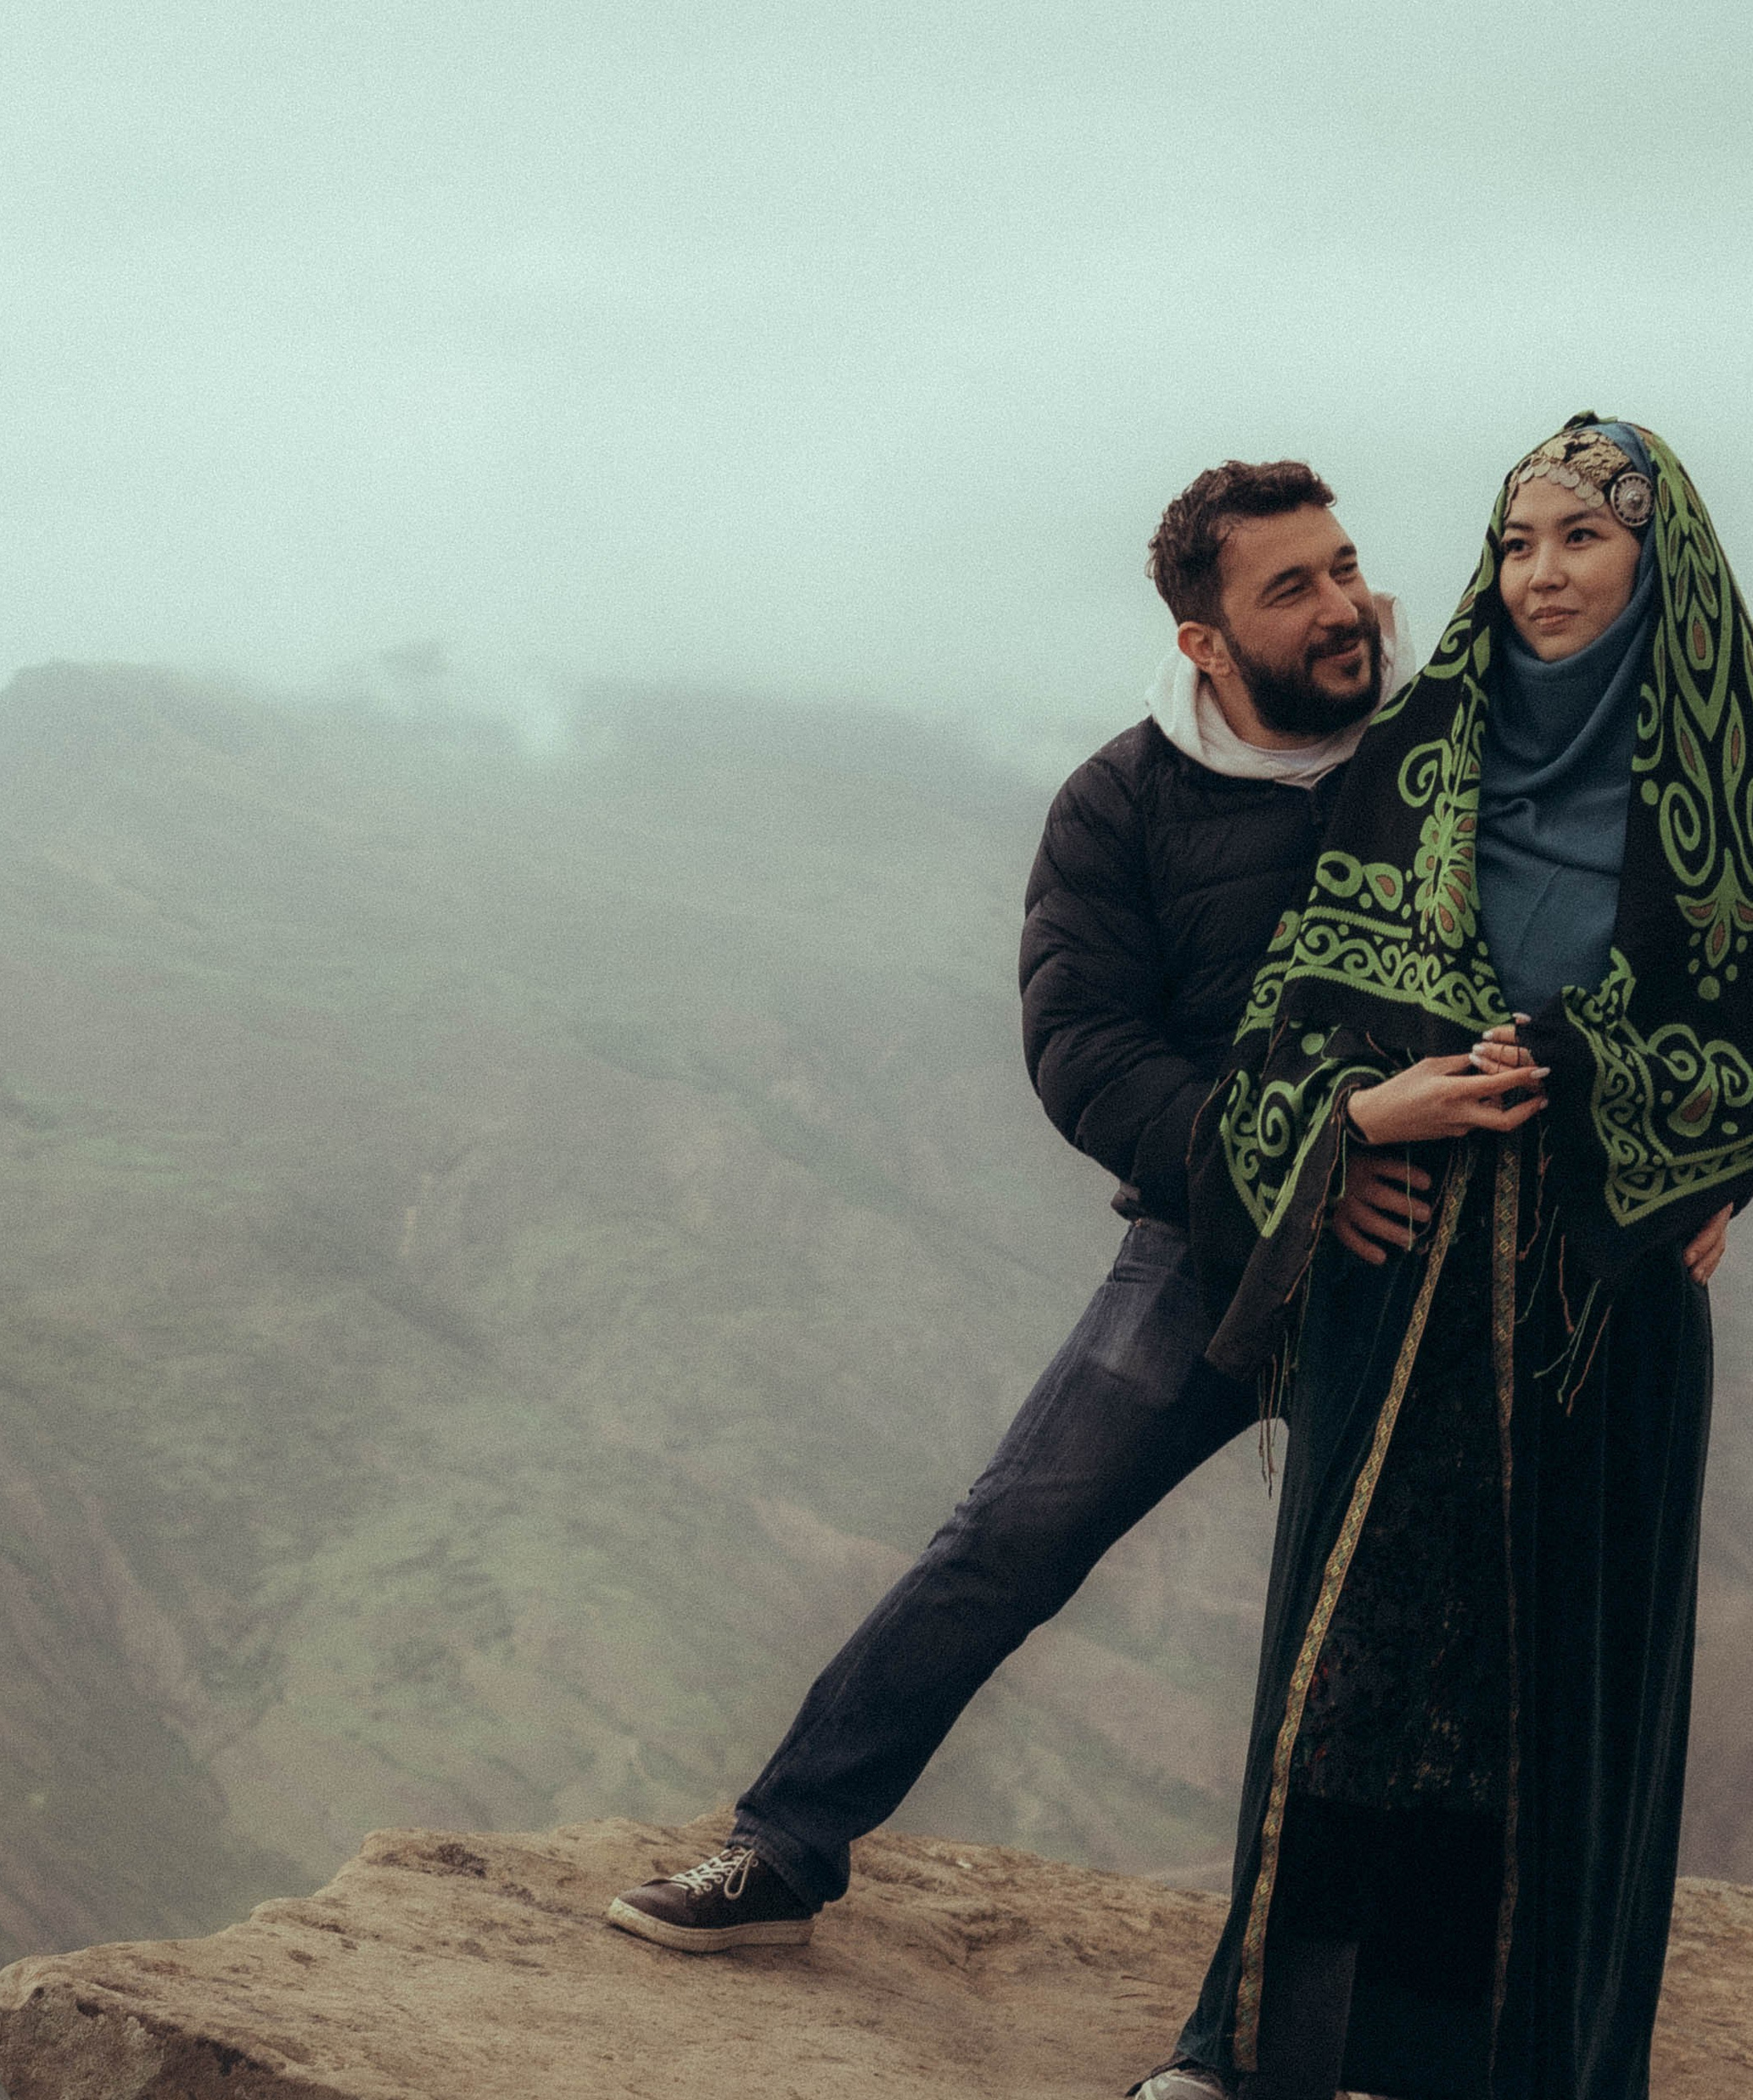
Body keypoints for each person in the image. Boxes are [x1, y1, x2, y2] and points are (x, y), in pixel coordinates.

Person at [1134, 417, 1753, 2100]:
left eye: (1579, 541)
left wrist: (1658, 1134)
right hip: (1403, 1280)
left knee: (1573, 1697)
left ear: (1650, 564)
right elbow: (1296, 1011)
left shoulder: (1746, 792)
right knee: (1352, 1659)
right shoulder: (1423, 757)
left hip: (1601, 1307)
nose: (1534, 573)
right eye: (1513, 537)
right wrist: (1355, 1125)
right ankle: (1263, 2057)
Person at [609, 456, 1440, 2001]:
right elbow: (1089, 1058)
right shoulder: (1121, 807)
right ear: (1205, 641)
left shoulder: (1441, 762)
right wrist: (1305, 1164)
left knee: (1424, 1642)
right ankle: (783, 1848)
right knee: (1008, 1539)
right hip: (1218, 1246)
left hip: (1437, 1257)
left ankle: (1405, 2031)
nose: (1341, 610)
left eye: (1344, 570)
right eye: (1291, 589)